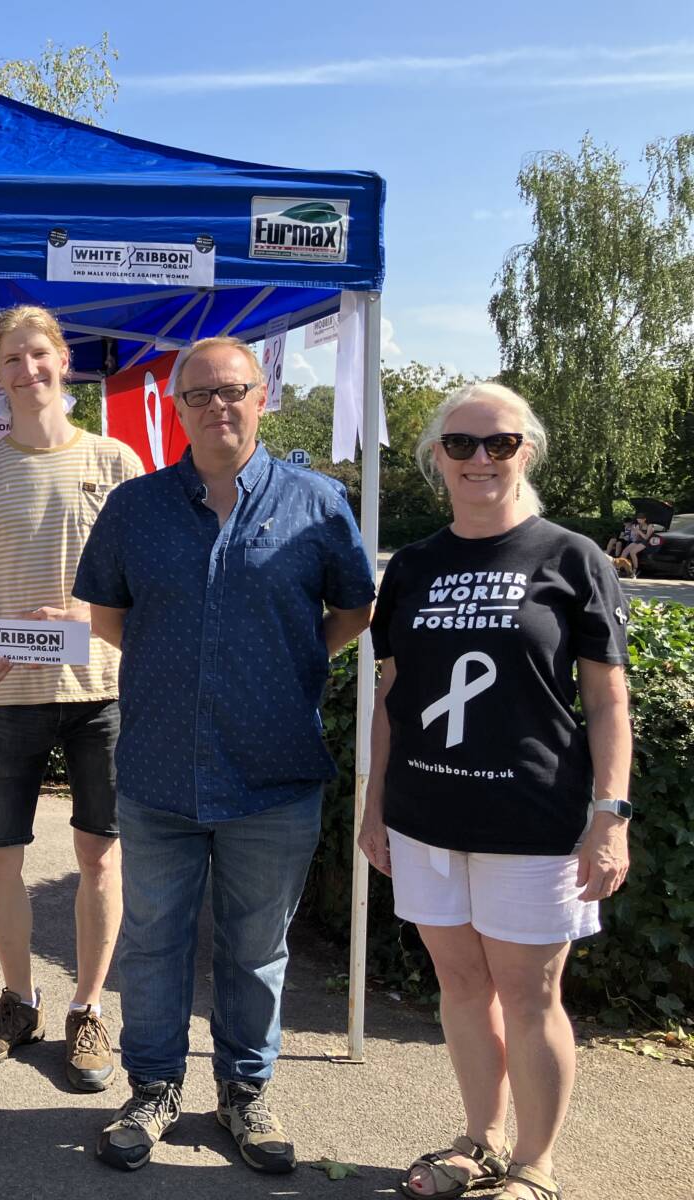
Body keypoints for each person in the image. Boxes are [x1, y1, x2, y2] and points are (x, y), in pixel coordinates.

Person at [75, 335, 375, 1176]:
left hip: (273, 770)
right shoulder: (136, 507)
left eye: (234, 390)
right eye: (200, 394)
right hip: (161, 768)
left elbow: (351, 610)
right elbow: (109, 617)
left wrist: (289, 662)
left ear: (263, 397)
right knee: (154, 942)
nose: (219, 406)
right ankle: (155, 1089)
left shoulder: (317, 503)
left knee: (254, 948)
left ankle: (245, 1093)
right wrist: (185, 666)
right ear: (176, 408)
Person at [358, 383, 631, 1200]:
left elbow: (609, 700)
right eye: (463, 444)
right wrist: (374, 807)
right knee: (463, 988)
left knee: (528, 991)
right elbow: (391, 693)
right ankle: (480, 1140)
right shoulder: (410, 566)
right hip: (425, 816)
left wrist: (610, 814)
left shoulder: (572, 557)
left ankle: (534, 1166)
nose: (481, 459)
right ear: (436, 457)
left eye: (500, 443)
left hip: (536, 820)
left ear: (528, 451)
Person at [0, 305, 143, 1090]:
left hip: (102, 692)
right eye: (12, 361)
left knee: (100, 856)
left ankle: (89, 1011)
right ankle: (18, 1000)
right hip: (11, 696)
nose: (28, 372)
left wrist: (90, 618)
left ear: (64, 362)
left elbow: (140, 589)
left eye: (39, 355)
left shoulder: (117, 462)